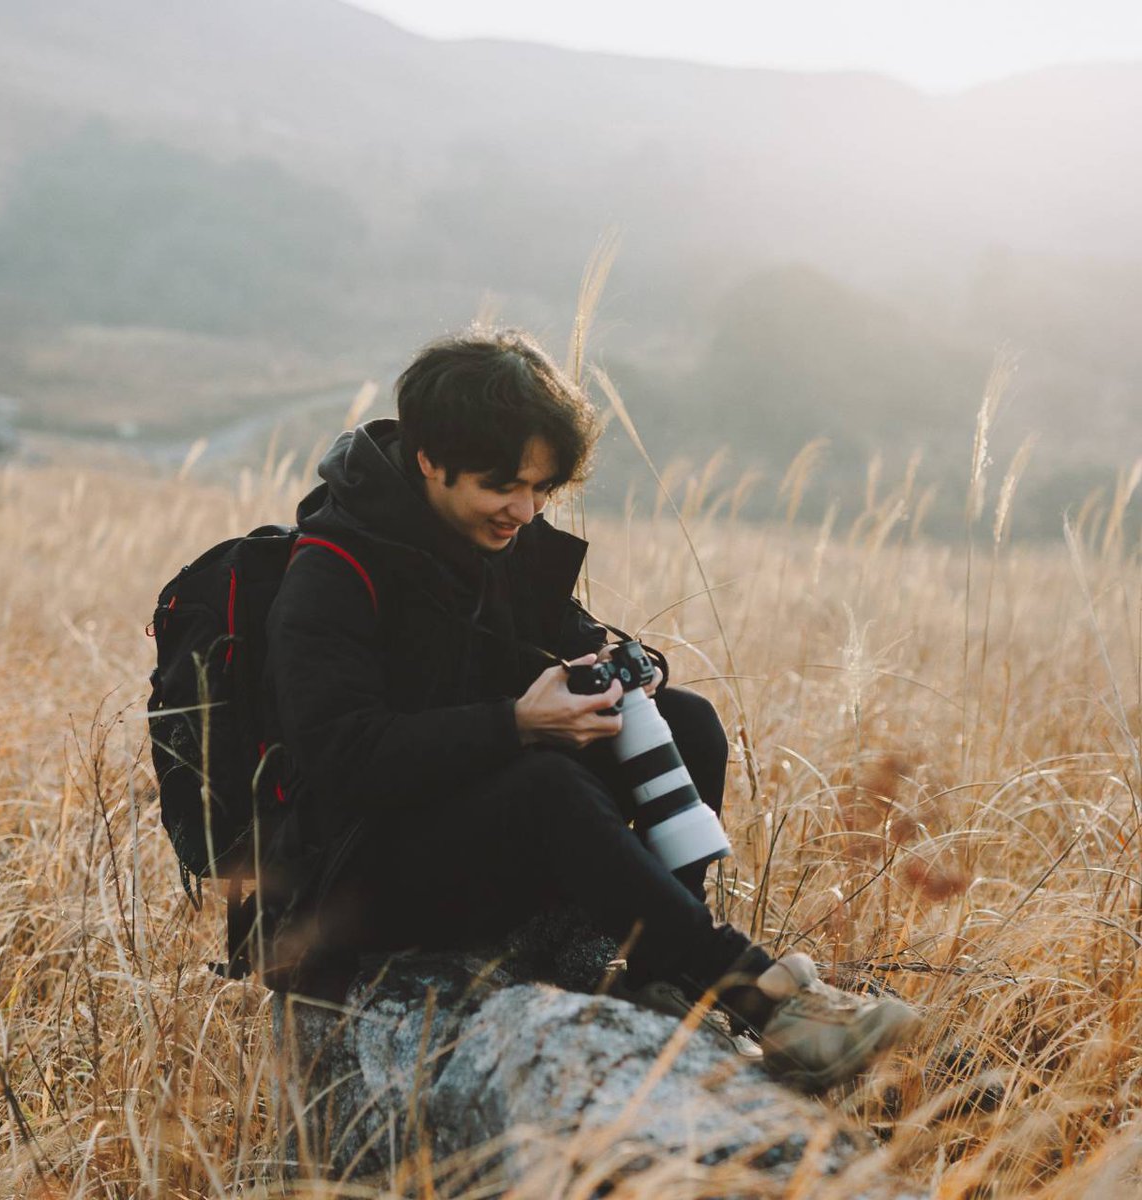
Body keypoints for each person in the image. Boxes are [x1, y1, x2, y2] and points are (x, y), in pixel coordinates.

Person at [260, 327, 918, 1092]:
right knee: (546, 785)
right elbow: (341, 759)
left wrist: (614, 677)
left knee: (687, 721)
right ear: (429, 458)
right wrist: (515, 722)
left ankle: (657, 973)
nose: (524, 508)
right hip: (359, 886)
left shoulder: (500, 542)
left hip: (468, 830)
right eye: (502, 485)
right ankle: (757, 995)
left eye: (541, 487)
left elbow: (573, 643)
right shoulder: (334, 570)